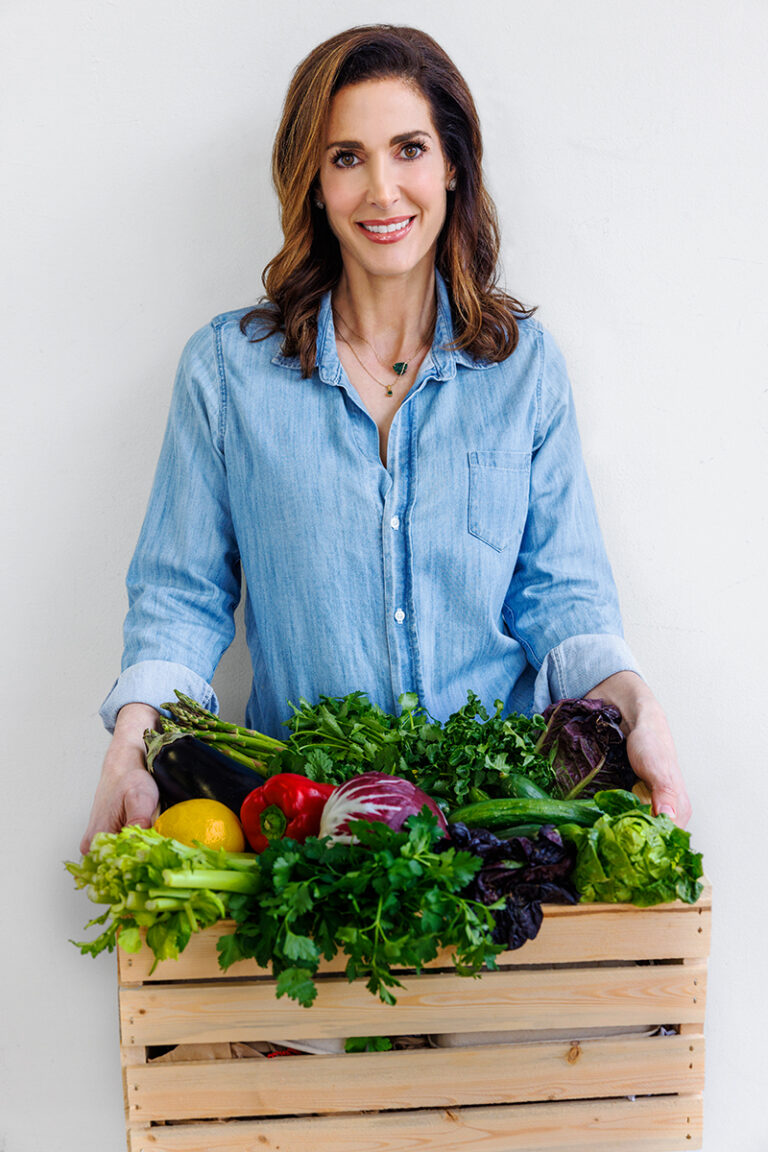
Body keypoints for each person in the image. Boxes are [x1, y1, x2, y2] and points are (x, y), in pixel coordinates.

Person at [80, 24, 690, 854]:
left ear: (452, 166)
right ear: (313, 182)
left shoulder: (523, 370)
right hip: (307, 834)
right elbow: (180, 601)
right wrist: (131, 745)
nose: (382, 190)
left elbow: (562, 600)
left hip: (494, 830)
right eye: (346, 157)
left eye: (408, 149)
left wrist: (640, 708)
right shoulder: (227, 374)